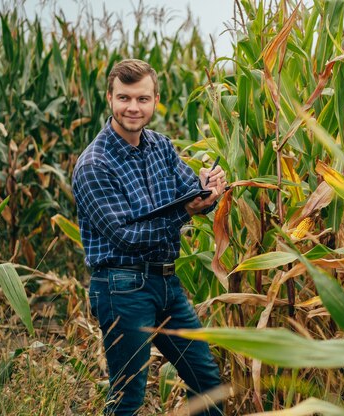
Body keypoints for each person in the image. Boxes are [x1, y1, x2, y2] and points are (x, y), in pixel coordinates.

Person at [72, 58, 226, 416]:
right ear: (109, 99)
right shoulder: (95, 164)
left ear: (156, 100)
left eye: (142, 99)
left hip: (166, 284)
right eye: (124, 98)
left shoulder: (160, 146)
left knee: (207, 384)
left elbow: (189, 196)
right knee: (128, 396)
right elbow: (126, 237)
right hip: (122, 287)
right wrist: (186, 210)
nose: (133, 108)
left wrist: (207, 189)